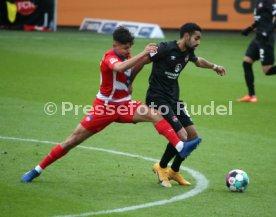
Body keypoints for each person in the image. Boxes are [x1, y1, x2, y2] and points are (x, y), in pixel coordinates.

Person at [21, 26, 201, 183]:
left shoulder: (126, 54)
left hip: (124, 105)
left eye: (130, 47)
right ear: (114, 45)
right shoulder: (109, 57)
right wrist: (144, 53)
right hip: (104, 108)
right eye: (124, 48)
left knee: (155, 114)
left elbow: (134, 67)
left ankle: (180, 146)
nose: (127, 50)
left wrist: (130, 82)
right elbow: (119, 68)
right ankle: (37, 169)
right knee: (72, 141)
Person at [143, 23, 226, 187]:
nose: (198, 42)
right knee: (182, 136)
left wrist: (214, 67)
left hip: (173, 100)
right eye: (196, 38)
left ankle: (174, 170)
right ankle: (160, 167)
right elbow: (144, 60)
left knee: (193, 135)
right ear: (186, 36)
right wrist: (128, 81)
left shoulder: (188, 51)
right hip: (157, 98)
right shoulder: (165, 48)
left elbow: (198, 61)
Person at [238, 0, 276, 103]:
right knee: (246, 62)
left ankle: (251, 96)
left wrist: (267, 32)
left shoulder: (269, 2)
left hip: (266, 39)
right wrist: (250, 28)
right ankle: (251, 95)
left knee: (267, 70)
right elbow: (260, 20)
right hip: (258, 38)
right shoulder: (258, 3)